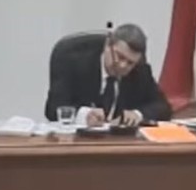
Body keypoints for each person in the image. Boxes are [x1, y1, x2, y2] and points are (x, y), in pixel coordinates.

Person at [43, 23, 171, 127]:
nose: (123, 66)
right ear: (107, 45)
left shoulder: (140, 70)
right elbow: (53, 108)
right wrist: (85, 115)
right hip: (78, 142)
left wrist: (137, 114)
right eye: (120, 57)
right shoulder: (74, 62)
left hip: (119, 144)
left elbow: (163, 107)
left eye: (130, 63)